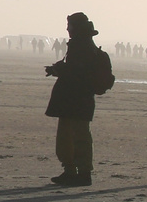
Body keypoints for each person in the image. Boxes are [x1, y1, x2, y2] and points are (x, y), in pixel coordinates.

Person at [44, 12, 112, 186]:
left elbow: (77, 73)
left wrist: (59, 70)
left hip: (76, 99)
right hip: (79, 99)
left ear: (75, 27)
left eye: (70, 25)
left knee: (76, 137)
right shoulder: (84, 45)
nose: (67, 29)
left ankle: (80, 173)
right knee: (72, 136)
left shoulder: (80, 46)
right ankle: (74, 171)